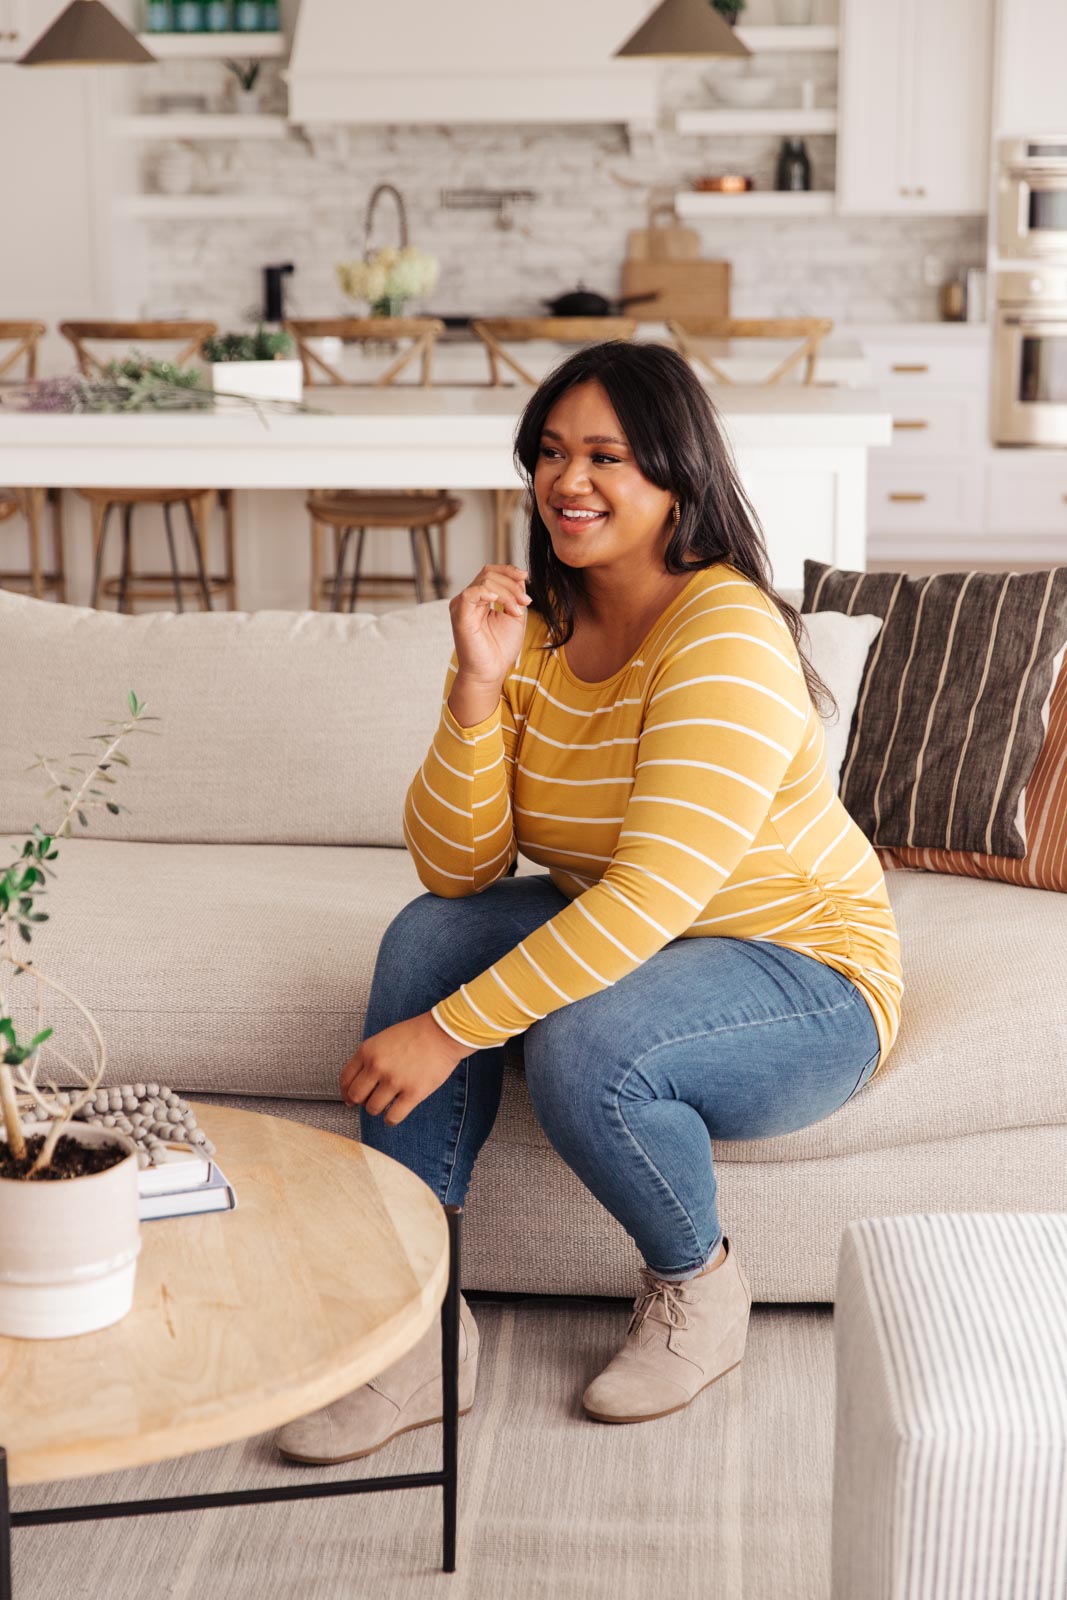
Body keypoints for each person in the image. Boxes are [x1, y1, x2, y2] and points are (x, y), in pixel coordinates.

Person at [275, 339, 903, 1465]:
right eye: (551, 452)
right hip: (644, 927)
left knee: (585, 1043)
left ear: (676, 478)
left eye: (606, 455)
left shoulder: (721, 632)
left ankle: (698, 1289)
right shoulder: (536, 623)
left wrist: (448, 1030)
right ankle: (416, 1328)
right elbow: (459, 870)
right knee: (430, 936)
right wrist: (473, 685)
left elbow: (655, 894)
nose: (569, 481)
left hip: (799, 969)